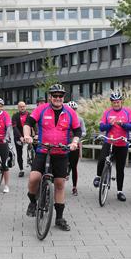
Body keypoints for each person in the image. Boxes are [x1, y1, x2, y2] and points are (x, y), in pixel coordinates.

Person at [23, 84, 81, 231]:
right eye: (54, 96)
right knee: (34, 178)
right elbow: (28, 122)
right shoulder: (42, 109)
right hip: (43, 150)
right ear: (50, 97)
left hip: (61, 152)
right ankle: (32, 201)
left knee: (60, 184)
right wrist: (27, 135)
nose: (57, 98)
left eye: (60, 96)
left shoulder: (69, 112)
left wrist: (74, 142)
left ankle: (59, 218)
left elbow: (77, 131)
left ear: (64, 97)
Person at [92, 91, 131, 201]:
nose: (116, 104)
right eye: (114, 102)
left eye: (118, 102)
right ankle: (98, 176)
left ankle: (119, 192)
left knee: (120, 168)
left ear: (121, 102)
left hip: (122, 142)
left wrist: (123, 124)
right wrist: (109, 125)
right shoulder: (107, 112)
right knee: (102, 159)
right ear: (111, 103)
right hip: (109, 141)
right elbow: (101, 127)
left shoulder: (127, 112)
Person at [66, 101, 86, 196]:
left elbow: (84, 132)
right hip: (64, 145)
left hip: (74, 145)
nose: (72, 111)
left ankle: (74, 187)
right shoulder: (63, 118)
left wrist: (77, 138)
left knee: (74, 166)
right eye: (70, 109)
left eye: (74, 109)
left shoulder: (80, 119)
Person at [11, 101, 30, 178]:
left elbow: (34, 125)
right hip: (19, 136)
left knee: (35, 150)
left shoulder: (29, 115)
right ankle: (21, 169)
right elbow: (14, 127)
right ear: (18, 108)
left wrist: (35, 134)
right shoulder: (15, 116)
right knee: (19, 153)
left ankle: (32, 161)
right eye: (21, 106)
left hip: (28, 135)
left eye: (23, 106)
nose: (22, 108)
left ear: (26, 107)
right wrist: (20, 137)